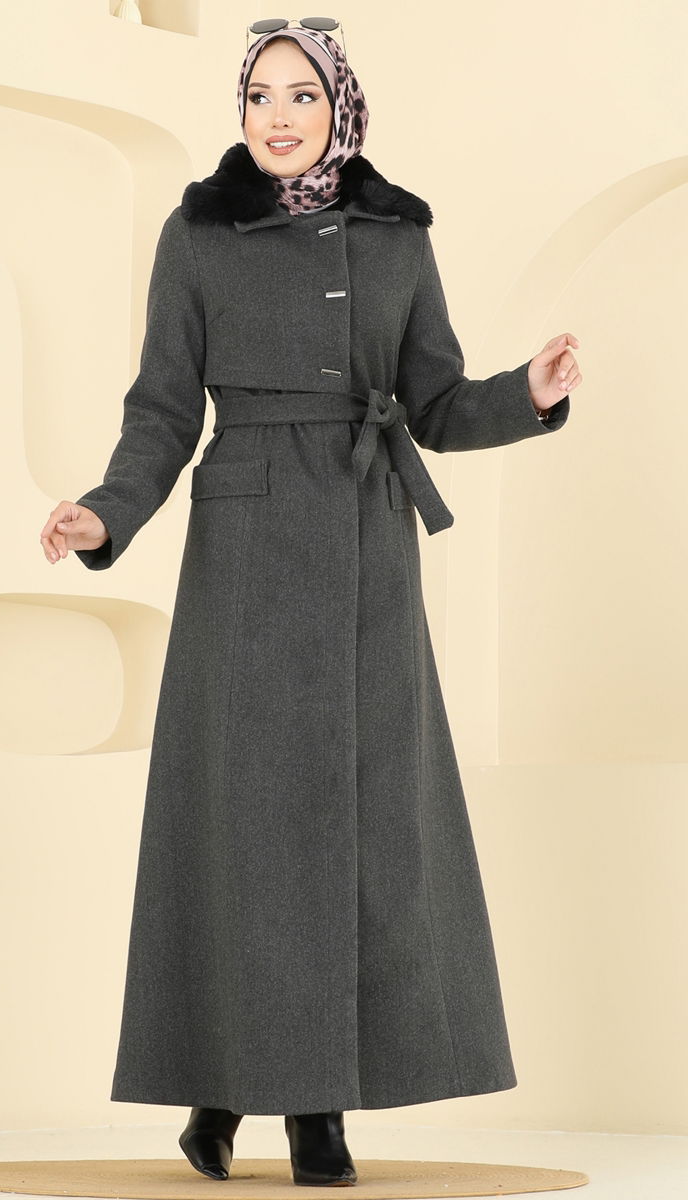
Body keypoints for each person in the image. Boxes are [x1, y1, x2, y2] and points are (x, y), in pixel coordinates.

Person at [39, 18, 582, 1188]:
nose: (277, 116)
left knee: (362, 824)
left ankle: (314, 1106)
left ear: (340, 108)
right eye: (258, 96)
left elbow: (436, 403)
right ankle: (227, 1089)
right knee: (244, 826)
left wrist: (526, 395)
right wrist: (104, 514)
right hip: (243, 550)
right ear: (238, 110)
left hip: (368, 542)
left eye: (300, 95)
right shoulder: (196, 235)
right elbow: (161, 411)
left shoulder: (398, 239)